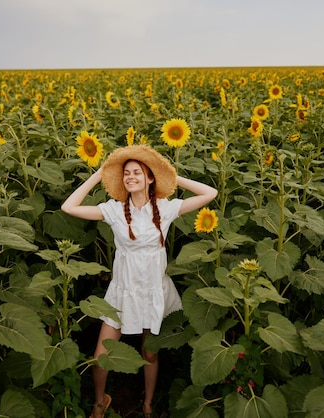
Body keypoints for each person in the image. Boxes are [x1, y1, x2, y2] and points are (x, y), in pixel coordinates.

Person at [61, 145, 217, 418]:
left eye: (137, 173)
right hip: (122, 293)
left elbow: (210, 193)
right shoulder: (114, 210)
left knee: (150, 354)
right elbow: (68, 207)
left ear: (149, 178)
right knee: (101, 357)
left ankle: (147, 405)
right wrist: (98, 175)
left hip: (153, 292)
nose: (130, 177)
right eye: (126, 174)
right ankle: (100, 403)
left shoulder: (165, 209)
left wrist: (169, 176)